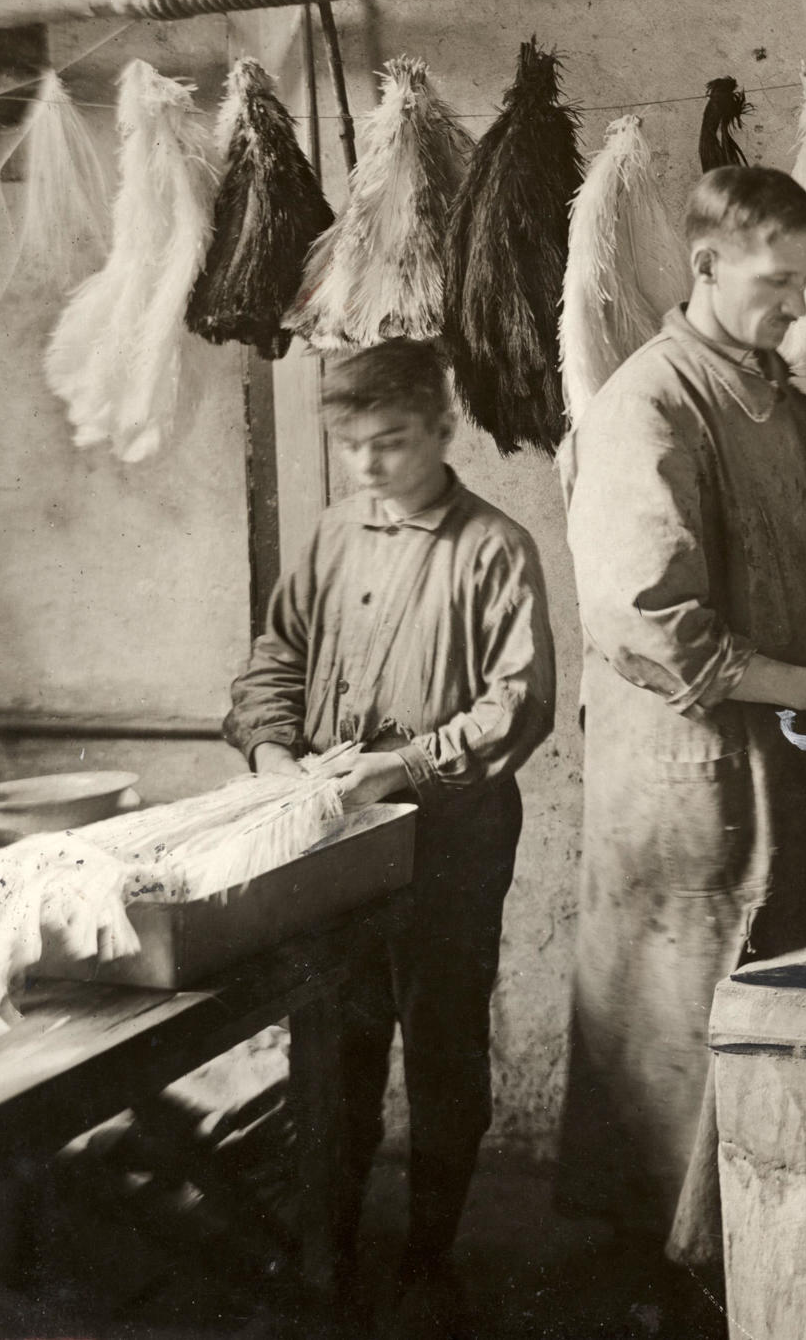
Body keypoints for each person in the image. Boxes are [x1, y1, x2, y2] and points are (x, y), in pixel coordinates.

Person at [555, 166, 806, 1289]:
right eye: (777, 281)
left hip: (779, 765)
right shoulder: (648, 404)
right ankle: (651, 1294)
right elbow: (645, 620)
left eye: (804, 282)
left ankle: (740, 1285)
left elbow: (793, 572)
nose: (797, 306)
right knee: (673, 1058)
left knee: (757, 1056)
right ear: (705, 266)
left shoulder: (768, 397)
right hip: (687, 799)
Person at [223, 338, 555, 1337]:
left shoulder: (495, 547)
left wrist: (401, 766)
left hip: (449, 837)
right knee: (334, 1038)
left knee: (442, 1037)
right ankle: (327, 1249)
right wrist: (275, 753)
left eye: (392, 441)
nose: (368, 464)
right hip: (331, 831)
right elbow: (275, 651)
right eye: (351, 444)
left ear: (442, 429)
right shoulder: (330, 535)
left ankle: (427, 1257)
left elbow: (516, 706)